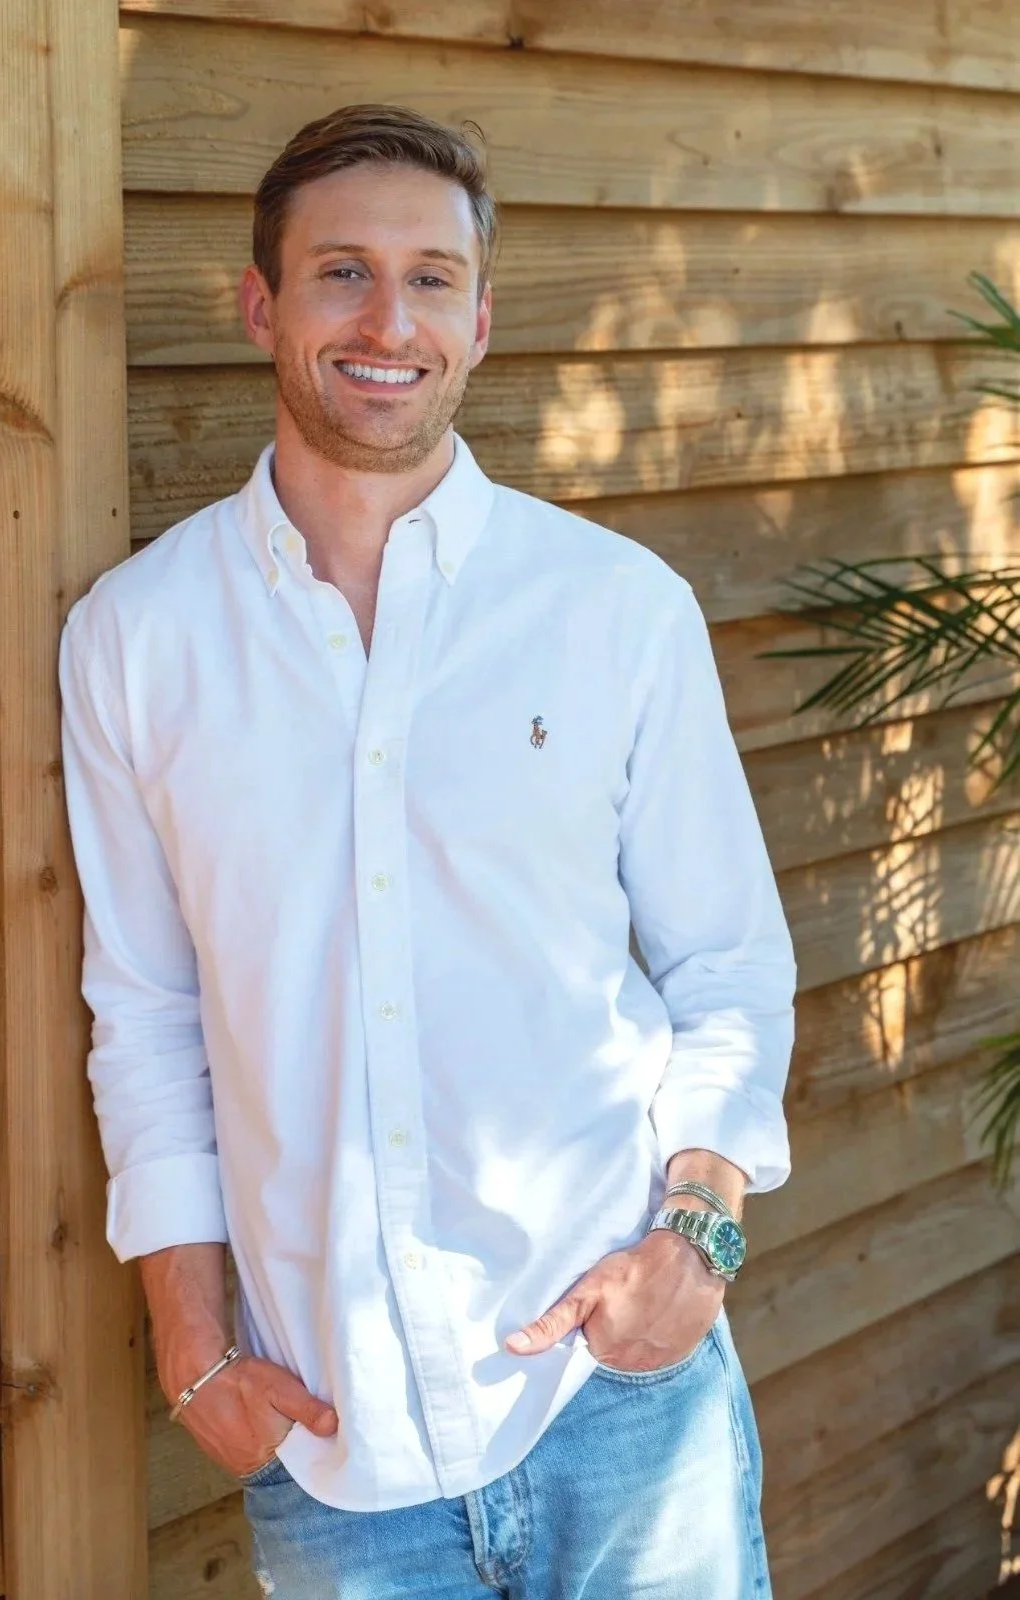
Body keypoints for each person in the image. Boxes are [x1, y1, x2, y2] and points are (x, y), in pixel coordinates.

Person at [58, 103, 795, 1599]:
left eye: (430, 279)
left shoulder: (615, 610)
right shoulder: (135, 642)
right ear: (261, 304)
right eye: (342, 272)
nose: (388, 322)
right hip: (339, 1453)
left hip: (619, 1405)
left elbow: (724, 960)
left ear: (480, 320)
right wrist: (192, 1345)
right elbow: (145, 1013)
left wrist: (694, 1243)